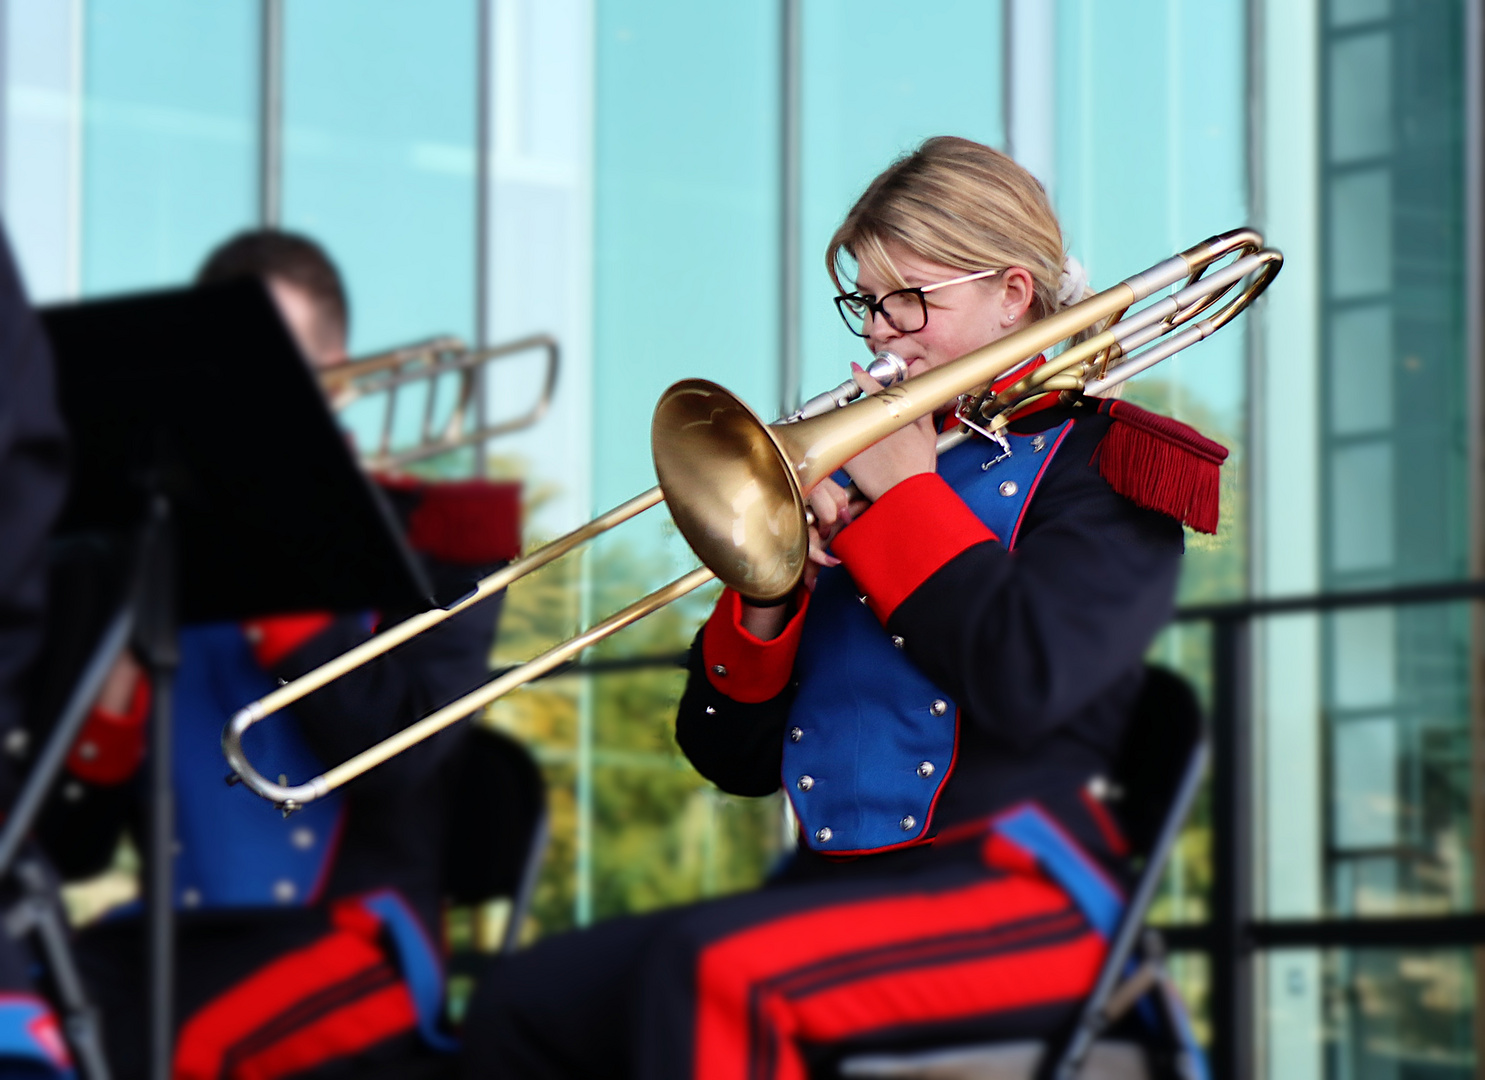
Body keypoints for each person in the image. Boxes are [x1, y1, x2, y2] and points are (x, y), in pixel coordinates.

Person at [461, 136, 1222, 1078]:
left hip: (1025, 899)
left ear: (1012, 295)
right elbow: (731, 759)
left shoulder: (1106, 470)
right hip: (832, 889)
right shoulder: (861, 473)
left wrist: (903, 504)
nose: (878, 330)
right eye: (867, 300)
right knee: (527, 1001)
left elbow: (1027, 680)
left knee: (715, 978)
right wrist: (777, 590)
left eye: (911, 298)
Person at [40, 230, 521, 1080]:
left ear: (337, 371)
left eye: (274, 371)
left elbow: (392, 766)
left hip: (356, 938)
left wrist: (280, 562)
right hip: (168, 935)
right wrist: (108, 707)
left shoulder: (447, 540)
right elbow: (73, 847)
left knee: (156, 1054)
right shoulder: (139, 551)